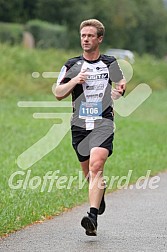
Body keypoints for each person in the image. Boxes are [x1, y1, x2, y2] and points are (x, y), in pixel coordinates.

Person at [54, 19, 126, 236]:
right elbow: (58, 93)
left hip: (103, 122)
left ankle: (92, 216)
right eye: (83, 35)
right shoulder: (72, 65)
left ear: (99, 39)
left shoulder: (109, 62)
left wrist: (119, 91)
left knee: (96, 166)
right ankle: (99, 196)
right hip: (79, 125)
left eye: (90, 36)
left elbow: (120, 83)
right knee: (89, 173)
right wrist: (75, 80)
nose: (85, 39)